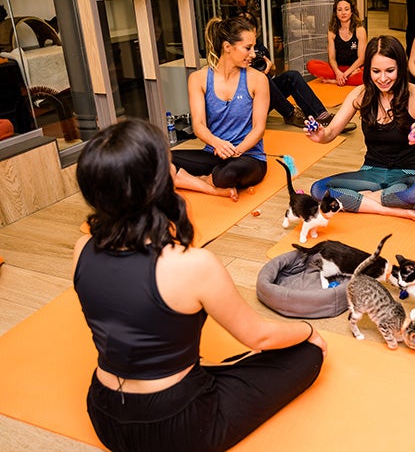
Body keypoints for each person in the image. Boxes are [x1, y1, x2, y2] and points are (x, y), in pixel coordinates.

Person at [73, 119, 326, 452]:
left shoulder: (81, 249)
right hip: (177, 429)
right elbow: (259, 336)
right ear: (159, 183)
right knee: (307, 356)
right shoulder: (190, 264)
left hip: (104, 414)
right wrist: (309, 332)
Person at [305, 35, 415, 222]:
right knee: (318, 189)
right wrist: (321, 135)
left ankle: (362, 200)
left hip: (405, 176)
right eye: (376, 71)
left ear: (400, 68)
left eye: (390, 70)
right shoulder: (360, 94)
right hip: (369, 173)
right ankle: (389, 209)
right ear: (367, 70)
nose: (383, 78)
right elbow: (330, 133)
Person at [171, 16, 269, 201]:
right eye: (247, 48)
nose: (254, 54)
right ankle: (211, 187)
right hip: (214, 153)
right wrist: (217, 144)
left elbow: (259, 128)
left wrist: (237, 150)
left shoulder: (257, 79)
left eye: (253, 48)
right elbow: (199, 125)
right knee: (161, 159)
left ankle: (195, 179)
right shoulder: (198, 79)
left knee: (226, 174)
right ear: (227, 47)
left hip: (249, 157)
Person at [251, 33, 356, 133]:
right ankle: (290, 113)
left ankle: (321, 116)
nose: (251, 52)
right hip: (251, 106)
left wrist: (270, 67)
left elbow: (272, 70)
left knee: (292, 76)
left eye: (255, 36)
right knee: (263, 79)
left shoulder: (258, 46)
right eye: (248, 48)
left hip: (265, 98)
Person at [306, 0, 367, 86]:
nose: (343, 13)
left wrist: (346, 74)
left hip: (355, 69)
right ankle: (344, 79)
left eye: (346, 9)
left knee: (367, 75)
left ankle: (335, 81)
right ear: (336, 13)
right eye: (339, 10)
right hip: (338, 68)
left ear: (352, 11)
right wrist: (338, 72)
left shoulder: (360, 30)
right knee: (311, 65)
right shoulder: (332, 31)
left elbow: (361, 59)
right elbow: (331, 58)